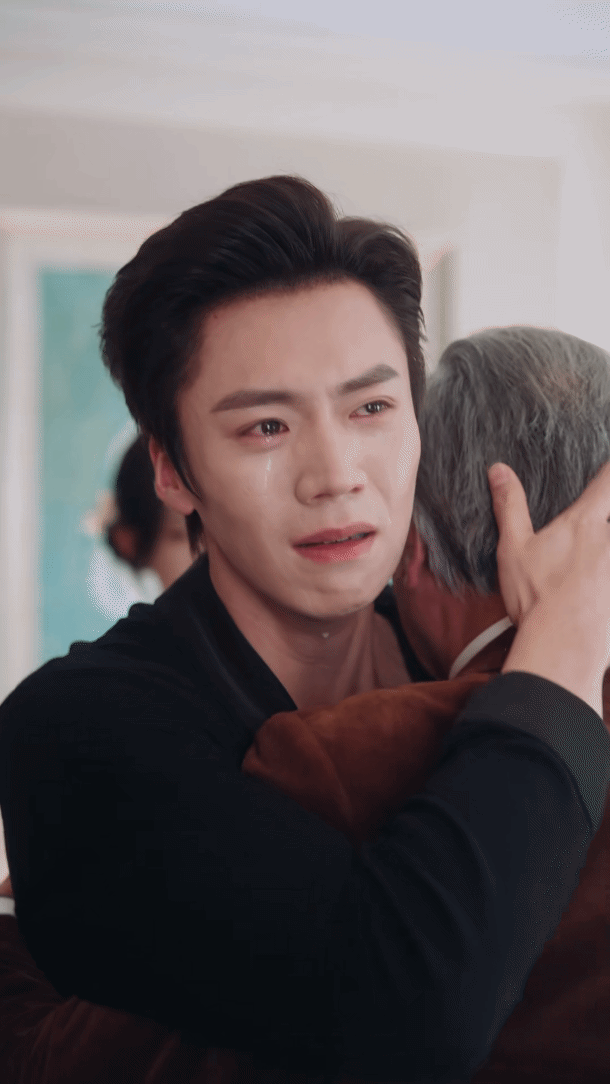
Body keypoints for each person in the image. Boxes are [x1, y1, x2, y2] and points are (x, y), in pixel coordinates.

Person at [0, 177, 609, 1083]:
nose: (335, 474)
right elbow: (404, 1015)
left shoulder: (461, 637)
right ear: (172, 471)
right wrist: (562, 651)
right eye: (266, 426)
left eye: (371, 409)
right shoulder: (80, 729)